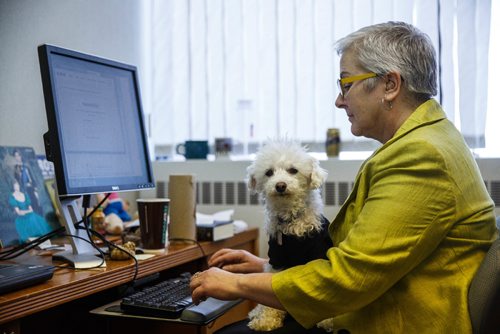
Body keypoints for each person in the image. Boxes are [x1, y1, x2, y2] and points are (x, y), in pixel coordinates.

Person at [189, 21, 499, 333]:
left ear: (390, 85)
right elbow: (368, 260)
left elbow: (349, 278)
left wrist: (241, 284)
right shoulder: (429, 140)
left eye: (346, 84)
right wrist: (266, 269)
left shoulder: (422, 156)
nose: (339, 100)